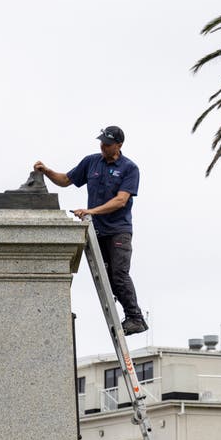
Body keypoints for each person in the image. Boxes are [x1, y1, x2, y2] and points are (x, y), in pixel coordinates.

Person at [34, 126, 147, 335]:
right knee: (107, 277)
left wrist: (91, 211)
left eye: (108, 144)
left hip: (118, 231)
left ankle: (135, 318)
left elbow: (121, 201)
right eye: (102, 142)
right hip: (98, 232)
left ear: (119, 145)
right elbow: (66, 180)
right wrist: (47, 171)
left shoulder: (130, 168)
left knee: (119, 275)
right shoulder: (92, 161)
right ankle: (124, 311)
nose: (103, 146)